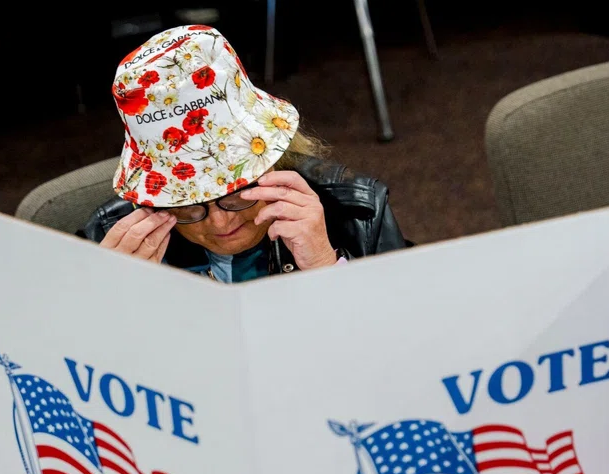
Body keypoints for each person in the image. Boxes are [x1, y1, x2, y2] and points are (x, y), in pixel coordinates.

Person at [81, 24, 409, 282]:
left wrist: (326, 269)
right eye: (188, 206)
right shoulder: (109, 239)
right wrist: (114, 299)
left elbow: (414, 341)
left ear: (272, 160)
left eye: (236, 192)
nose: (222, 221)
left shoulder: (360, 211)